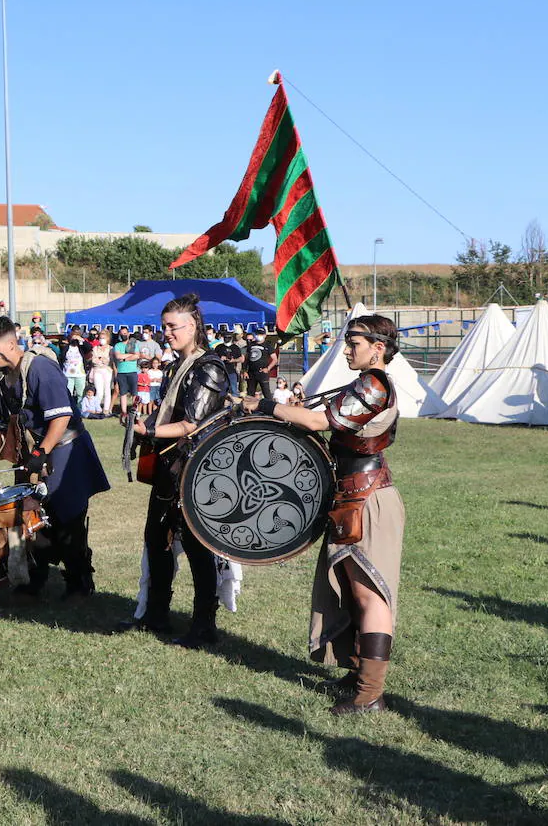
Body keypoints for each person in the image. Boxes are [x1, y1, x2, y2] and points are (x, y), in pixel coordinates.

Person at [244, 313, 405, 715]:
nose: (347, 349)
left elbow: (319, 421)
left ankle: (370, 694)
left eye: (354, 343)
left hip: (369, 500)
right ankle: (356, 674)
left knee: (370, 595)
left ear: (378, 348)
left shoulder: (374, 383)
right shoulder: (361, 382)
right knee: (352, 591)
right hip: (352, 497)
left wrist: (267, 405)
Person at [0, 316, 111, 599]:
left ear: (10, 343)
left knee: (68, 521)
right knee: (31, 519)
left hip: (66, 451)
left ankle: (80, 582)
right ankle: (36, 578)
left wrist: (41, 453)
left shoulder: (40, 368)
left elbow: (62, 417)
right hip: (36, 454)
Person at [120, 294, 234, 646]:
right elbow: (169, 415)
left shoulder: (209, 367)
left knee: (199, 550)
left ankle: (203, 626)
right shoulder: (174, 366)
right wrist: (144, 423)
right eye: (164, 325)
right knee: (157, 542)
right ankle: (156, 615)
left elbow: (192, 425)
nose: (166, 332)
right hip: (169, 469)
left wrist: (149, 431)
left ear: (193, 326)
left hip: (197, 471)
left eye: (172, 326)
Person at [113, 329, 142, 414]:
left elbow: (137, 356)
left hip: (132, 371)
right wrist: (131, 355)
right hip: (121, 372)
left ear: (129, 334)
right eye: (122, 334)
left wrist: (125, 358)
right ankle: (124, 412)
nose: (124, 335)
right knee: (123, 393)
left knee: (134, 393)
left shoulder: (133, 344)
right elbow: (118, 356)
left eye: (125, 333)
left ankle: (134, 411)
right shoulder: (118, 345)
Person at [244, 329, 277, 399]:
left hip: (262, 372)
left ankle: (269, 407)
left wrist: (268, 368)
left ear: (265, 335)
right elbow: (246, 358)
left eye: (261, 334)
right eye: (258, 334)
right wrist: (244, 371)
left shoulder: (268, 346)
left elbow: (274, 359)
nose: (259, 336)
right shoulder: (251, 345)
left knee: (266, 392)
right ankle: (249, 408)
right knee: (250, 393)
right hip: (251, 372)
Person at [89, 330, 114, 416]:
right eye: (100, 338)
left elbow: (110, 361)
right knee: (99, 391)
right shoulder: (95, 348)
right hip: (97, 370)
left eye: (103, 338)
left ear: (107, 338)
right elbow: (94, 360)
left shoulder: (111, 349)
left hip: (108, 371)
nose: (101, 340)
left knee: (107, 390)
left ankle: (106, 410)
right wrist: (101, 360)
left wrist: (103, 359)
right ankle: (96, 408)